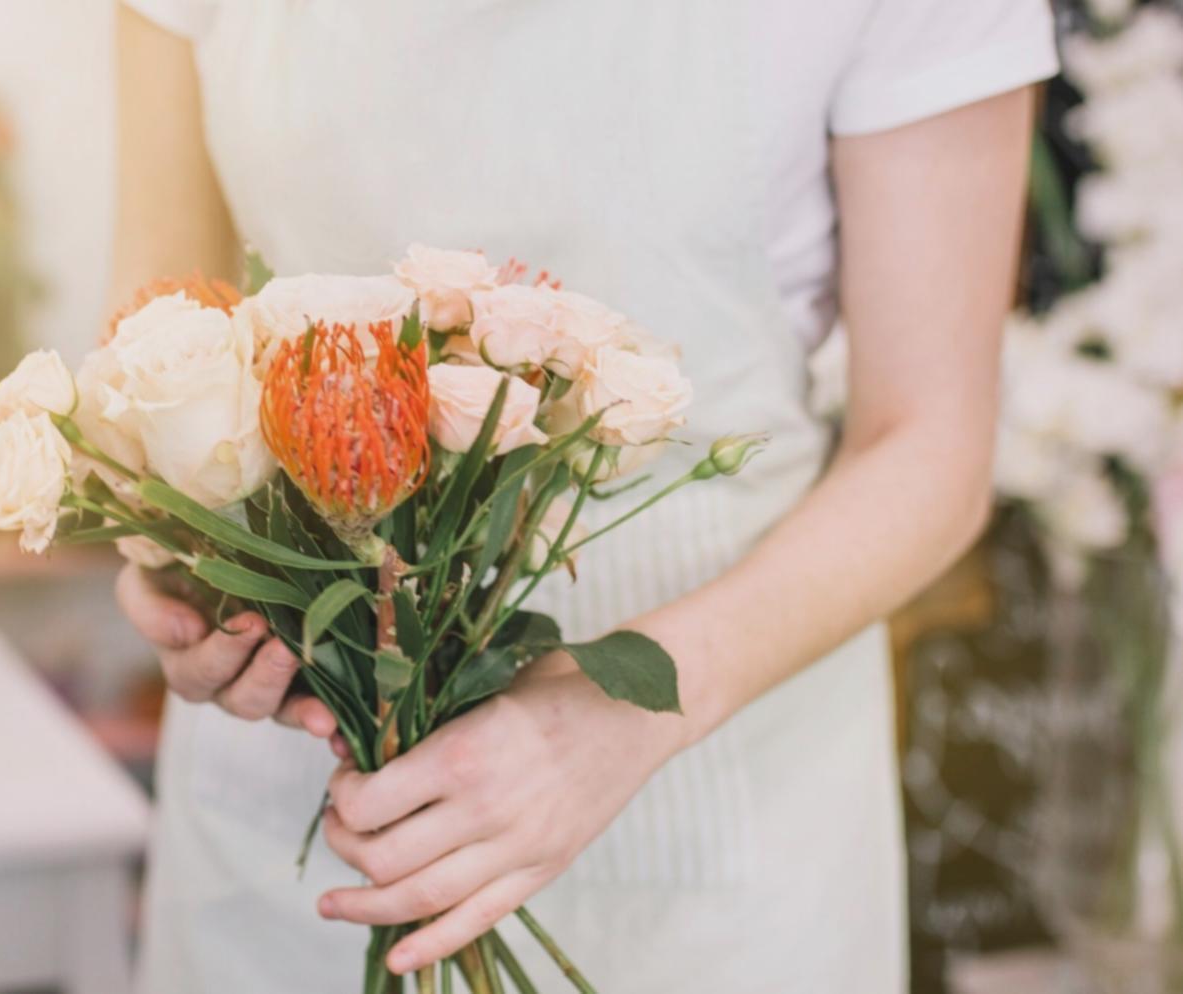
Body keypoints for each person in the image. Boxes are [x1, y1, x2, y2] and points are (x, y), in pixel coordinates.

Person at [110, 2, 1057, 990]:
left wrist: (627, 708)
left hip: (712, 770)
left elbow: (929, 445)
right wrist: (171, 550)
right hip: (299, 782)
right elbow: (153, 333)